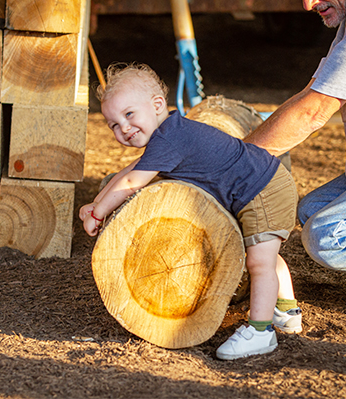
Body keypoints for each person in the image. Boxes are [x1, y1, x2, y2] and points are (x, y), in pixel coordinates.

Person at [80, 63, 302, 360]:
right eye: (114, 124)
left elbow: (132, 182)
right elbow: (129, 170)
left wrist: (97, 215)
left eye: (129, 114)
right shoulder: (170, 132)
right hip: (263, 182)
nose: (125, 128)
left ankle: (260, 332)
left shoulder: (170, 138)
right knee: (265, 252)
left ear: (157, 104)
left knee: (259, 261)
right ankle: (286, 312)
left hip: (262, 189)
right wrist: (97, 204)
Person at [245, 0, 346, 284]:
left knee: (329, 234)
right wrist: (236, 154)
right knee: (312, 209)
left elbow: (314, 111)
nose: (308, 4)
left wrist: (228, 166)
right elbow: (310, 94)